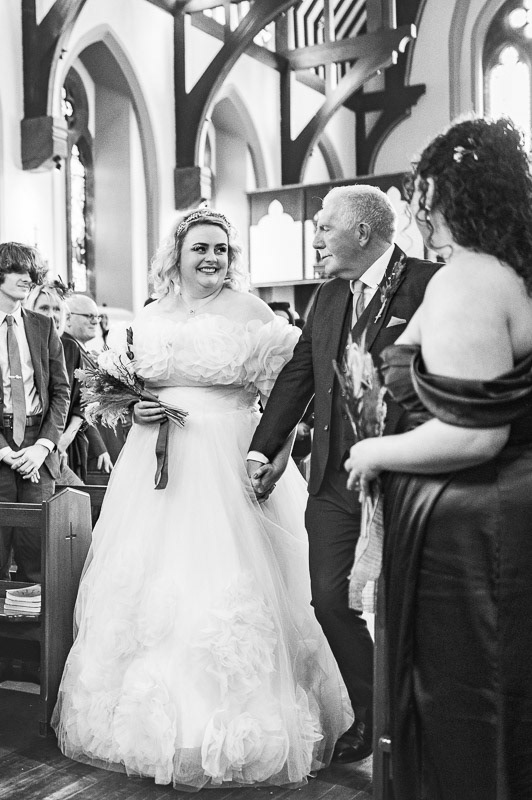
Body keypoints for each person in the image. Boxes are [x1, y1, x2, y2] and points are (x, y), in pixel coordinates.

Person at [52, 207, 352, 790]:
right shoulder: (150, 314)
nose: (212, 258)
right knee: (148, 583)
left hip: (229, 456)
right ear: (178, 255)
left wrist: (278, 454)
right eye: (201, 248)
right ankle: (148, 726)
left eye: (221, 249)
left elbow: (287, 394)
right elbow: (132, 389)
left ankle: (233, 725)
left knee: (227, 579)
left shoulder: (252, 312)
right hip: (155, 463)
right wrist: (136, 409)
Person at [344, 117, 532, 800]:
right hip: (501, 515)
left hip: (475, 529)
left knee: (470, 706)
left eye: (422, 195)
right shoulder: (514, 270)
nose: (418, 212)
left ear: (448, 195)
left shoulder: (469, 279)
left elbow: (474, 434)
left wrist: (374, 449)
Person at [247, 185, 441, 763]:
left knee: (410, 609)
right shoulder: (329, 296)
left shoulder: (429, 285)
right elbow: (300, 376)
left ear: (362, 231)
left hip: (405, 477)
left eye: (324, 227)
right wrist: (263, 448)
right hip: (334, 477)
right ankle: (376, 711)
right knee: (330, 600)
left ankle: (423, 725)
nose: (315, 239)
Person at [0, 243, 70, 581]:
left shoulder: (43, 326)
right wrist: (4, 450)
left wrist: (43, 447)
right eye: (16, 270)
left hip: (37, 443)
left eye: (31, 272)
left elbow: (61, 391)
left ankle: (30, 614)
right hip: (2, 440)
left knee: (35, 551)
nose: (26, 277)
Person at [24, 283, 85, 485]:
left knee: (80, 495)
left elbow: (79, 403)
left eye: (57, 309)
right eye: (44, 308)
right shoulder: (22, 344)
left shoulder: (70, 347)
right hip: (30, 438)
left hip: (63, 441)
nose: (52, 315)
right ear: (30, 309)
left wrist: (60, 442)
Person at [64, 294, 113, 475]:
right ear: (68, 318)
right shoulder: (68, 348)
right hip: (89, 445)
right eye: (89, 316)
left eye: (97, 316)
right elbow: (79, 404)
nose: (95, 321)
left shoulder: (81, 350)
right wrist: (98, 447)